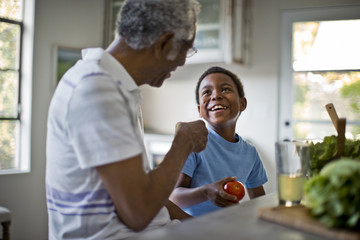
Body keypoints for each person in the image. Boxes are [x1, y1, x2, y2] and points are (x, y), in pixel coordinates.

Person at [45, 0, 208, 239]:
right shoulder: (98, 90)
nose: (183, 61)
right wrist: (183, 144)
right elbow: (139, 213)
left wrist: (202, 227)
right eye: (187, 48)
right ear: (163, 44)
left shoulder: (111, 86)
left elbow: (150, 196)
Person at [169, 66, 268, 217]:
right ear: (200, 110)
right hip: (191, 229)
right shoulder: (193, 144)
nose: (215, 96)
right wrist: (206, 192)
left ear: (242, 103)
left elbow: (259, 201)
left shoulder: (250, 153)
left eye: (225, 89)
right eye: (207, 92)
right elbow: (174, 198)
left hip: (227, 228)